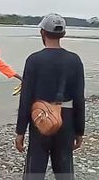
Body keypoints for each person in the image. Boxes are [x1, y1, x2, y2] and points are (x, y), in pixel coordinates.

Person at [15, 13, 85, 180]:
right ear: (63, 34)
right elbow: (79, 98)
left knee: (35, 167)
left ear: (42, 33)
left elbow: (26, 97)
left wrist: (20, 131)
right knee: (64, 168)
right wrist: (79, 130)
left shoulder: (34, 60)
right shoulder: (74, 60)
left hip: (40, 117)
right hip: (66, 118)